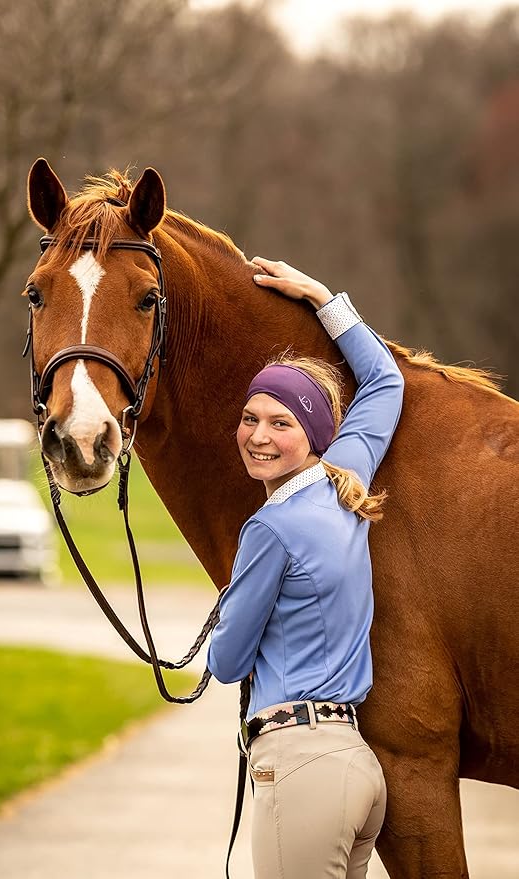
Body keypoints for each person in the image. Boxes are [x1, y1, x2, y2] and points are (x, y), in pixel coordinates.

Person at [207, 257, 405, 879]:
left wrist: (235, 607)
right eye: (250, 418)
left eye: (280, 423)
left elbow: (225, 662)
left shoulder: (269, 529)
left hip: (301, 768)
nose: (257, 436)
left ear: (314, 433)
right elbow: (384, 381)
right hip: (353, 765)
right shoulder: (345, 477)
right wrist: (323, 296)